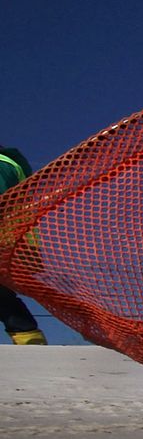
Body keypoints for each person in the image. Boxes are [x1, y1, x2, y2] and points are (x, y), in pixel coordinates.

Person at [0, 145, 48, 345]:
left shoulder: (3, 165)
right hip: (15, 244)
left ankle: (27, 337)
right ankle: (28, 337)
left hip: (7, 243)